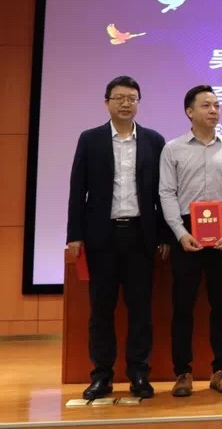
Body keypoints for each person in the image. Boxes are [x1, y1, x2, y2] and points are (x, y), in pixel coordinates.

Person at [66, 76, 166, 400]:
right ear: (106, 101)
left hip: (140, 236)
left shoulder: (153, 140)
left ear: (139, 103)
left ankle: (139, 374)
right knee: (101, 310)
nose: (125, 103)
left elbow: (163, 193)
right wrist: (75, 235)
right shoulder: (90, 139)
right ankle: (102, 376)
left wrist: (164, 235)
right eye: (119, 97)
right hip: (102, 238)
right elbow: (77, 189)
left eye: (131, 98)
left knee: (140, 311)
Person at [159, 85, 222, 397]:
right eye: (206, 105)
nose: (214, 111)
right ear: (189, 111)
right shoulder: (173, 149)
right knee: (183, 307)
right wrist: (180, 233)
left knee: (221, 306)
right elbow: (166, 193)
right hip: (187, 231)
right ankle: (182, 372)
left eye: (217, 105)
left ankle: (221, 370)